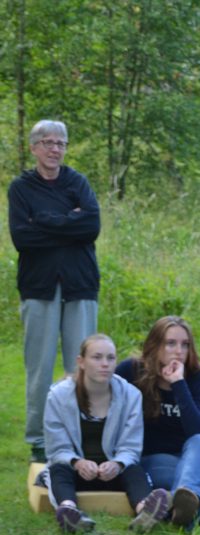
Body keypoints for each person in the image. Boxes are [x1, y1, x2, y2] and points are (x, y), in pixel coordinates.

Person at [8, 120, 100, 463]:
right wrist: (68, 222)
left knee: (85, 365)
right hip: (39, 285)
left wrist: (44, 220)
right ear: (34, 147)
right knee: (40, 366)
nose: (54, 149)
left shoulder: (77, 182)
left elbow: (91, 226)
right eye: (47, 142)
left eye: (60, 143)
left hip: (81, 283)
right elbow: (22, 237)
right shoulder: (21, 188)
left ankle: (83, 435)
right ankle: (39, 440)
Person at [116, 316, 200, 531]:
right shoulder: (131, 372)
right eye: (171, 343)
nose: (178, 350)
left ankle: (188, 499)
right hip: (157, 459)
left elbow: (196, 430)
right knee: (175, 483)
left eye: (185, 344)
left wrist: (179, 383)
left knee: (197, 442)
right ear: (155, 345)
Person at [44, 334, 169, 533]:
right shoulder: (58, 396)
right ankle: (68, 510)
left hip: (112, 473)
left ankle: (145, 512)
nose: (105, 364)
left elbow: (131, 447)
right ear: (81, 362)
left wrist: (117, 464)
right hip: (75, 472)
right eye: (97, 357)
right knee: (58, 469)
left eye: (110, 358)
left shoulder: (130, 395)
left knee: (133, 469)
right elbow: (56, 448)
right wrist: (78, 462)